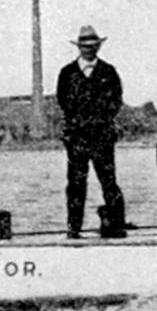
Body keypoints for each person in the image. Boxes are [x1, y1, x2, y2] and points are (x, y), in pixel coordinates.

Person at [56, 25, 126, 238]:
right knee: (76, 184)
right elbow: (63, 101)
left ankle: (117, 224)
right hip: (77, 138)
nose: (89, 50)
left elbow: (116, 101)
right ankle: (74, 227)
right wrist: (79, 122)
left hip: (102, 137)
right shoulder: (67, 73)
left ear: (98, 47)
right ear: (79, 48)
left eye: (93, 46)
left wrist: (100, 120)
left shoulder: (109, 72)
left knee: (109, 182)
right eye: (85, 46)